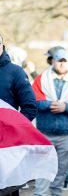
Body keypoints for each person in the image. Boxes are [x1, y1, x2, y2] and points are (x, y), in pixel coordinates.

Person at [32, 47, 68, 196]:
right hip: (44, 133)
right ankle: (40, 194)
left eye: (64, 61)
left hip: (66, 134)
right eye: (58, 61)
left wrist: (65, 107)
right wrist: (50, 105)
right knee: (42, 168)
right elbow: (33, 100)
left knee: (62, 169)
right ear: (53, 61)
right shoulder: (41, 78)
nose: (61, 64)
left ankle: (56, 193)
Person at [0, 34, 37, 195]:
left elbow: (30, 107)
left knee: (7, 190)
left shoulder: (15, 72)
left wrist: (13, 130)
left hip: (6, 145)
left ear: (1, 44)